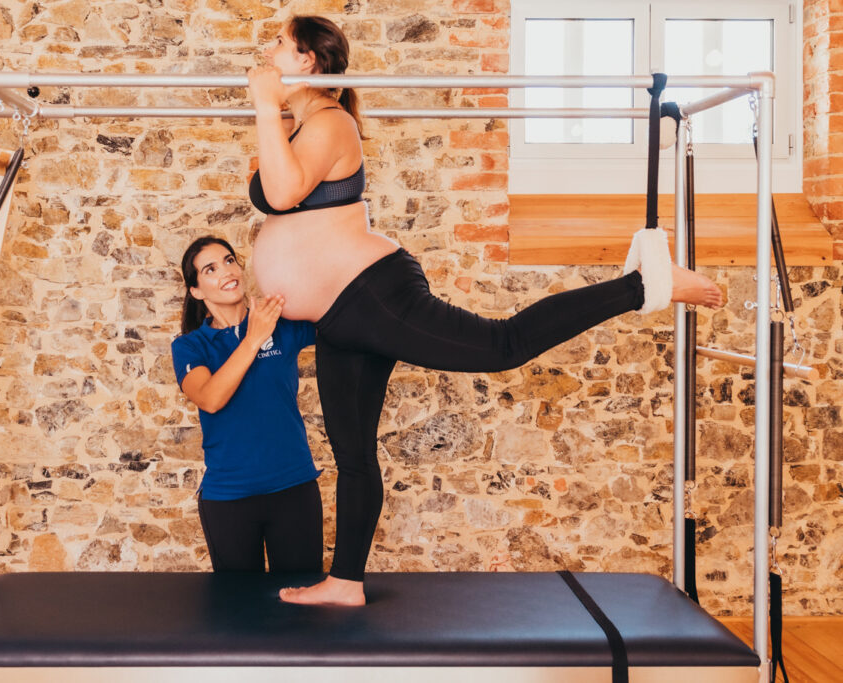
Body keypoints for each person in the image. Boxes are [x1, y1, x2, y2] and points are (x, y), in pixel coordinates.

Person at [246, 15, 723, 605]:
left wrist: (266, 105)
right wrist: (274, 111)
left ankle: (643, 284)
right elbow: (276, 187)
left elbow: (284, 193)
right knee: (353, 454)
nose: (266, 49)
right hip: (339, 316)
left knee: (503, 345)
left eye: (278, 42)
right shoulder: (299, 123)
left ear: (308, 61)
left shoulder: (330, 122)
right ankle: (345, 583)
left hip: (370, 292)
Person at [171, 236, 323, 573]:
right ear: (196, 290)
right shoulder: (190, 346)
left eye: (229, 261)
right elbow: (211, 398)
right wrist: (254, 337)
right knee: (238, 604)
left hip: (294, 488)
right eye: (210, 269)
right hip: (229, 498)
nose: (226, 271)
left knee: (302, 600)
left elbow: (340, 319)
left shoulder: (281, 324)